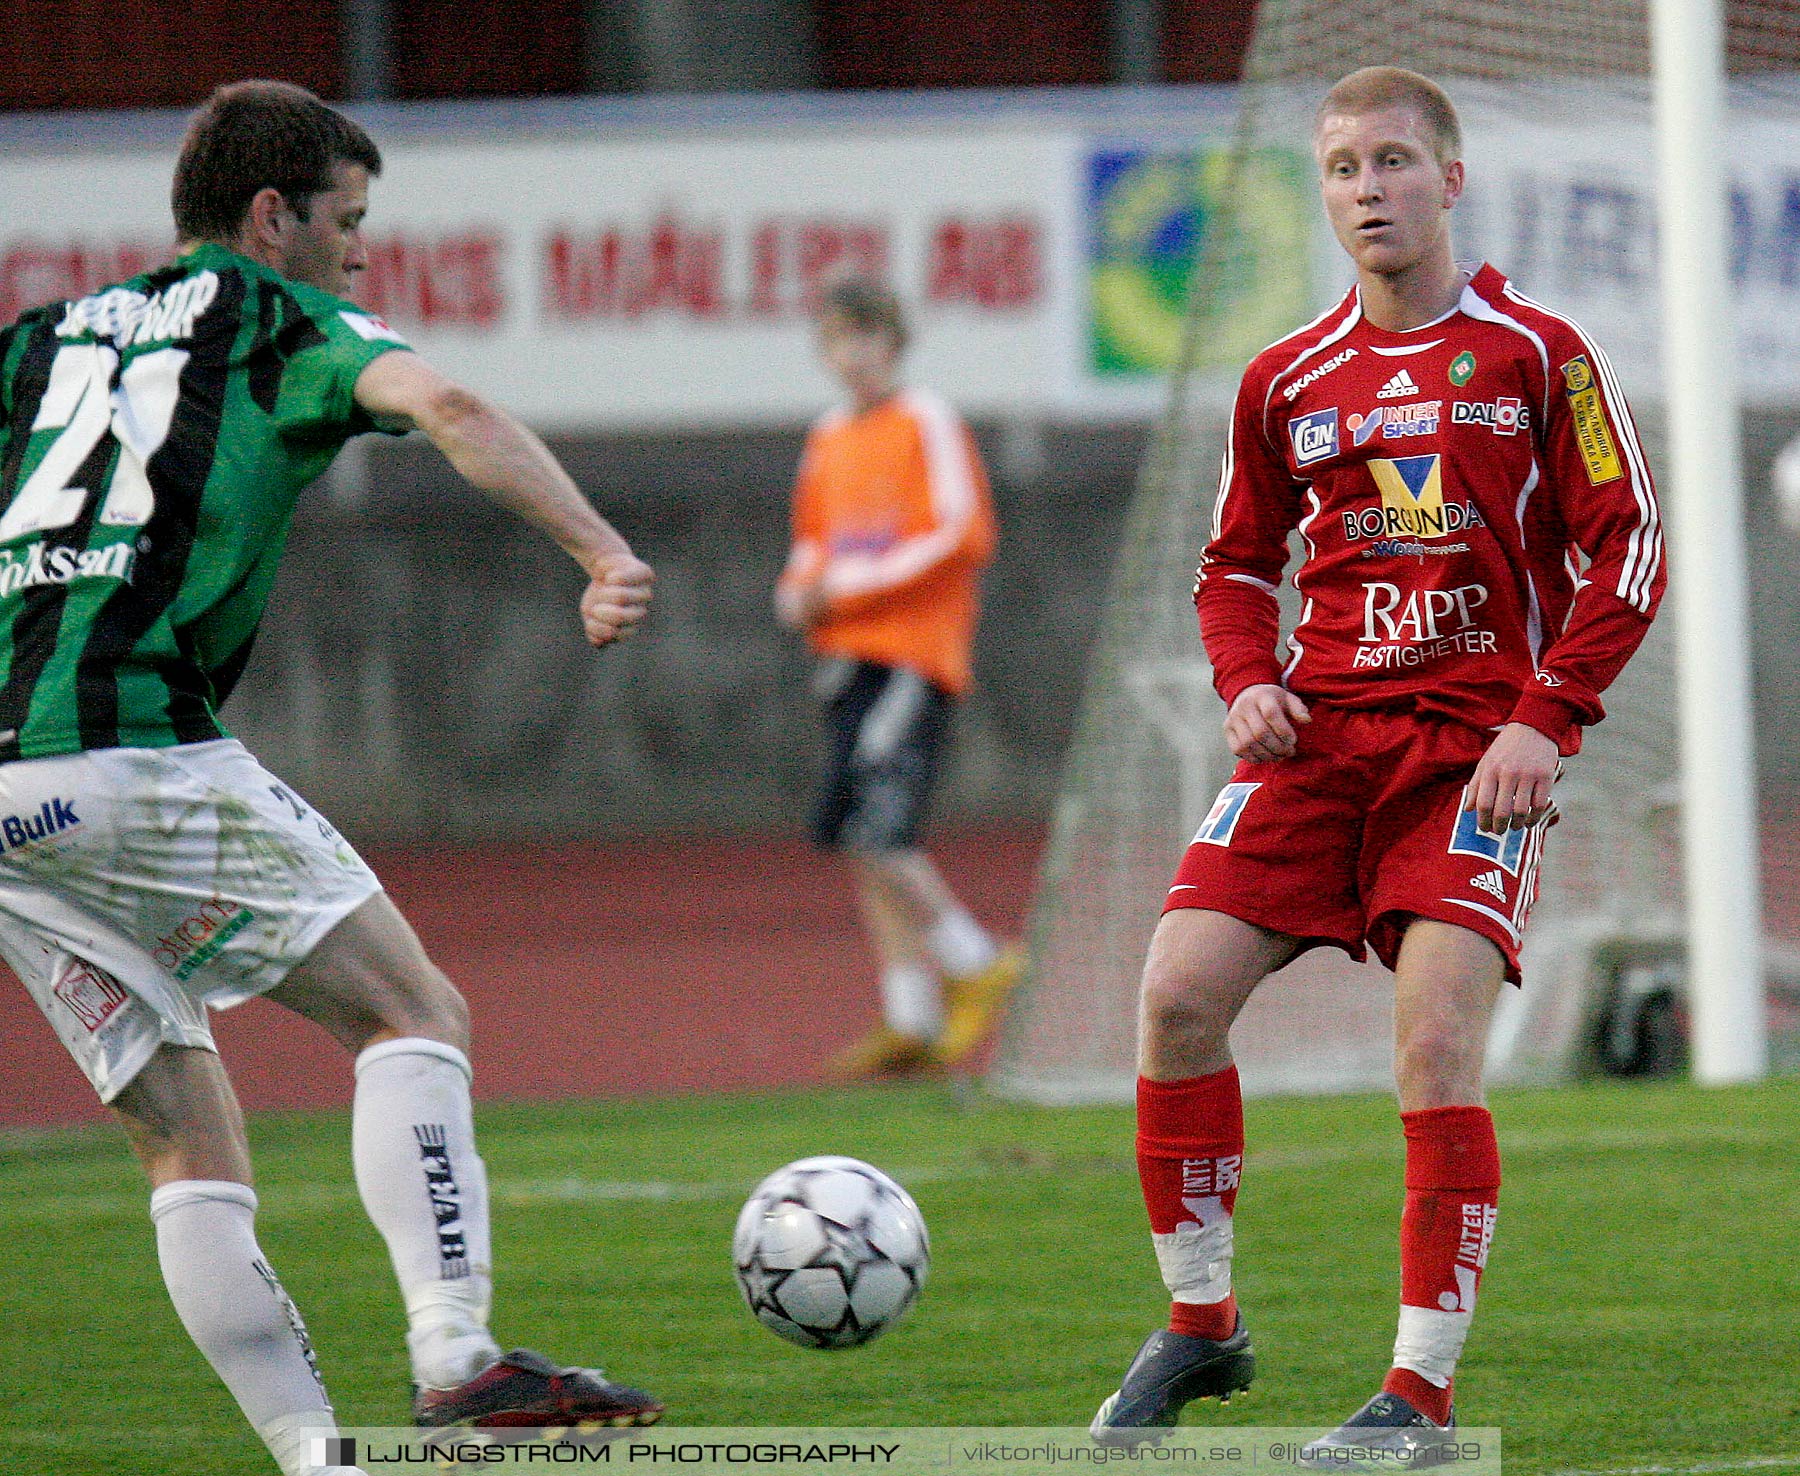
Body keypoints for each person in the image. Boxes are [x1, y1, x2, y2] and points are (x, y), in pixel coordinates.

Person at [0, 81, 662, 1475]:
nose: (359, 253)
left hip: (5, 798)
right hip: (133, 750)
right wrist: (600, 553)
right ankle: (457, 1357)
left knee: (181, 1134)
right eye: (348, 223)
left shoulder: (39, 340)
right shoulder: (272, 316)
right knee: (408, 1009)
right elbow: (449, 402)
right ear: (270, 217)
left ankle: (315, 1455)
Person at [1089, 67, 1664, 1461]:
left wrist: (1546, 717)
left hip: (1474, 763)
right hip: (1319, 750)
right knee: (1173, 998)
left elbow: (1629, 548)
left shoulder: (1538, 353)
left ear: (1450, 179)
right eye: (1343, 168)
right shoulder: (1283, 379)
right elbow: (1232, 566)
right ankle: (1202, 1327)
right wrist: (1248, 685)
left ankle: (1415, 1400)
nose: (1368, 190)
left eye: (1394, 162)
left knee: (1434, 1045)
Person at [775, 277, 1021, 1077]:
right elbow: (813, 539)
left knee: (875, 829)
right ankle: (909, 1015)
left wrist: (843, 589)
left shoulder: (927, 420)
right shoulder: (826, 436)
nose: (851, 355)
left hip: (910, 653)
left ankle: (976, 960)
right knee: (862, 837)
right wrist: (797, 592)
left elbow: (960, 530)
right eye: (836, 339)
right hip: (843, 659)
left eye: (865, 336)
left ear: (894, 341)